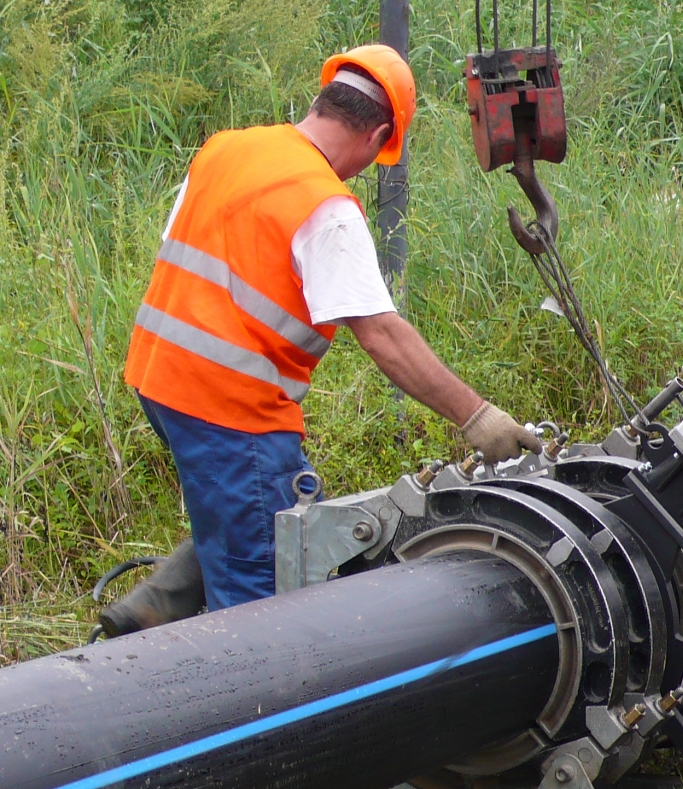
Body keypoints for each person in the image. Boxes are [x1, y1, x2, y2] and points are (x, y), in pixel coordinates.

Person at [120, 45, 540, 614]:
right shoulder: (325, 206)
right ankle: (236, 683)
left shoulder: (228, 148)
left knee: (256, 509)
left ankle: (154, 608)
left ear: (323, 102)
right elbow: (381, 334)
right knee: (264, 591)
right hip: (231, 407)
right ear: (377, 137)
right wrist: (477, 417)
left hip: (159, 381)